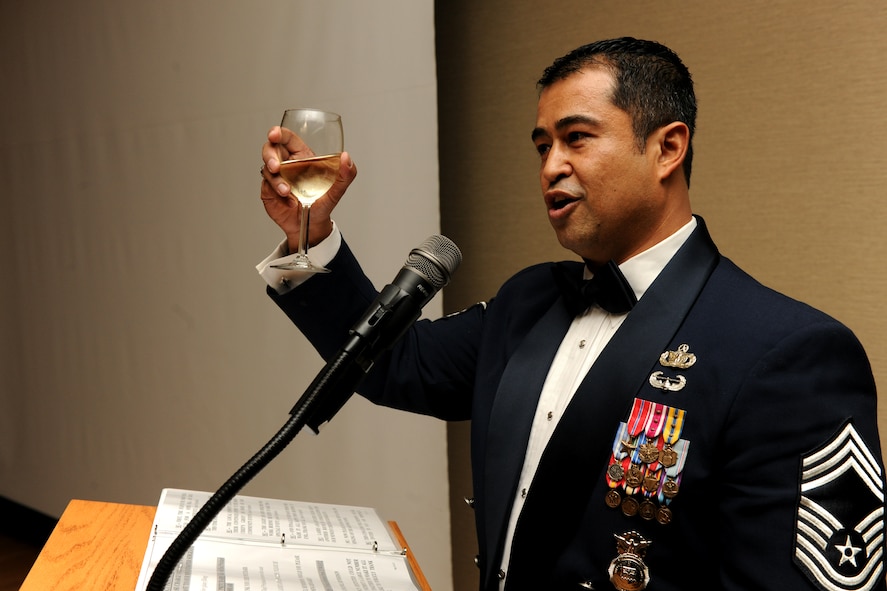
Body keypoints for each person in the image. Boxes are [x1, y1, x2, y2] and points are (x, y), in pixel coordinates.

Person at [257, 37, 886, 591]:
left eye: (577, 138)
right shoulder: (531, 300)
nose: (551, 166)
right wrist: (309, 240)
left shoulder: (789, 351)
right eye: (542, 146)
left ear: (667, 148)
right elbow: (396, 362)